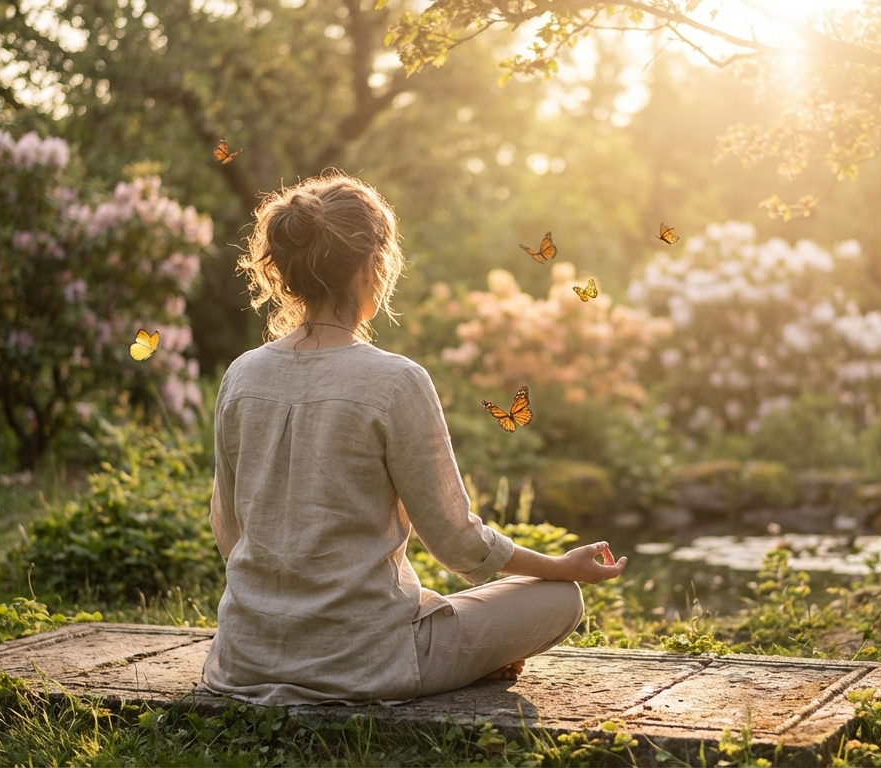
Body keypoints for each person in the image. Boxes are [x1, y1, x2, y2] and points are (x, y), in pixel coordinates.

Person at [202, 172, 628, 706]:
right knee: (560, 600)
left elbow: (229, 531)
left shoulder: (241, 375)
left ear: (286, 274)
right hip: (367, 665)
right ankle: (460, 654)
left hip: (244, 658)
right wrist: (561, 567)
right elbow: (457, 544)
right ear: (369, 268)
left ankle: (438, 634)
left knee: (432, 602)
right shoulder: (395, 381)